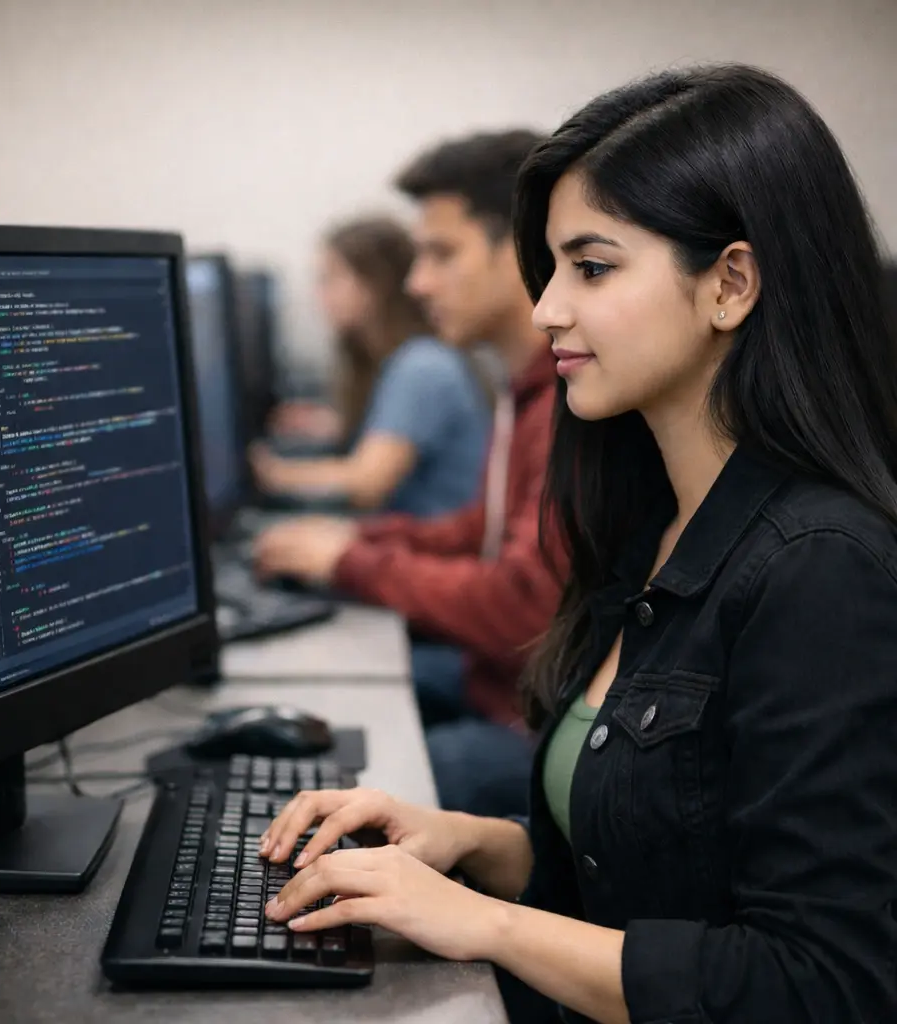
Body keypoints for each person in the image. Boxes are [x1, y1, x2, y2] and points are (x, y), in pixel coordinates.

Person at [256, 65, 897, 1024]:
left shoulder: (821, 568)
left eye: (591, 268)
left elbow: (822, 982)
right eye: (551, 268)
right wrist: (474, 843)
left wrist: (486, 924)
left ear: (730, 284)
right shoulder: (646, 522)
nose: (546, 308)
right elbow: (653, 878)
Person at [255, 130, 565, 818]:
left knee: (335, 784)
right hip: (498, 683)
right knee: (325, 708)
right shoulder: (520, 385)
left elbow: (523, 608)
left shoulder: (565, 402)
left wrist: (352, 561)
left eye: (442, 254)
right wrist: (361, 543)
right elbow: (485, 527)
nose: (417, 281)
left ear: (519, 248)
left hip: (529, 717)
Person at [252, 217, 490, 517]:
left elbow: (366, 484)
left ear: (374, 284)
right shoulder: (399, 359)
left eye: (330, 279)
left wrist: (272, 472)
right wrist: (333, 426)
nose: (320, 295)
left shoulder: (422, 365)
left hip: (433, 538)